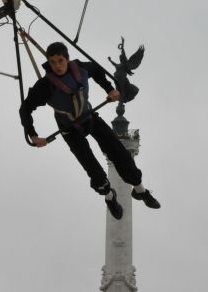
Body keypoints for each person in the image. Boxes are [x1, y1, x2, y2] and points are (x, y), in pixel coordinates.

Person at [19, 41, 160, 219]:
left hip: (90, 118)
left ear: (67, 59)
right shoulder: (46, 85)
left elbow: (97, 71)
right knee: (94, 171)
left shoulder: (80, 68)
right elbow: (25, 109)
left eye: (60, 61)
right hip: (70, 130)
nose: (57, 66)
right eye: (53, 62)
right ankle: (110, 198)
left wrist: (110, 89)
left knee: (119, 153)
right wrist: (32, 134)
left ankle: (140, 191)